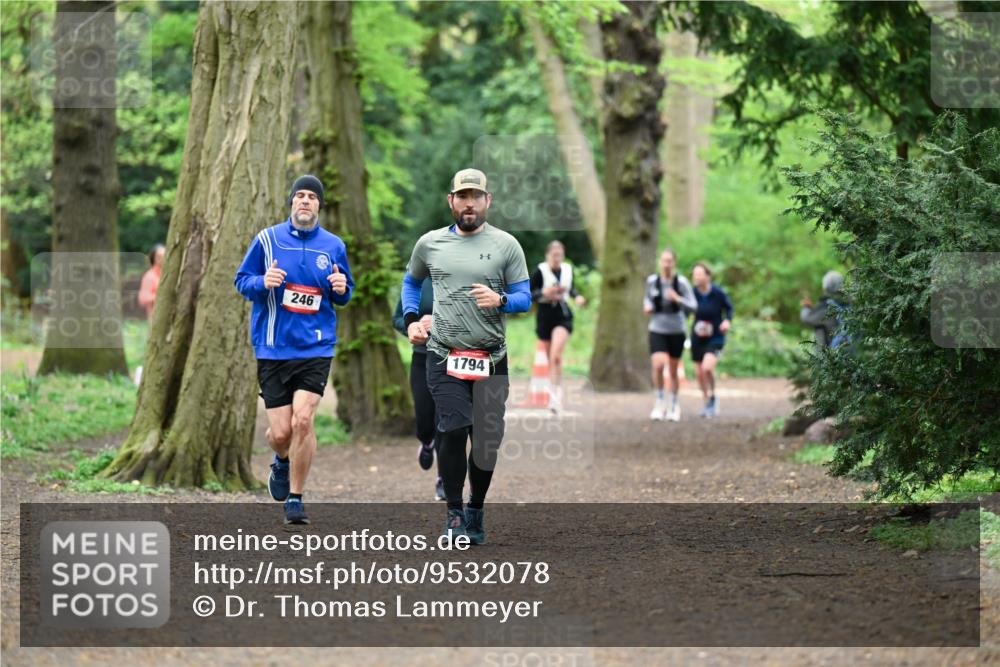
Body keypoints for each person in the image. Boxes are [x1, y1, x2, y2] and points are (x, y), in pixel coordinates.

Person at [400, 168, 530, 544]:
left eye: (475, 196)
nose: (468, 203)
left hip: (491, 356)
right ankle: (454, 513)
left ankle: (476, 507)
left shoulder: (507, 245)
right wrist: (411, 320)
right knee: (453, 427)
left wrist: (501, 299)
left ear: (487, 201)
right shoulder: (430, 244)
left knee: (487, 441)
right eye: (462, 196)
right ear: (451, 201)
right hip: (444, 354)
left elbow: (525, 296)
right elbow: (411, 281)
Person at [234, 175, 354, 525]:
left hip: (316, 345)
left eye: (311, 197)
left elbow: (343, 292)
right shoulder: (267, 240)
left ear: (319, 205)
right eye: (299, 195)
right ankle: (281, 461)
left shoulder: (333, 246)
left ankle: (296, 499)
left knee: (304, 420)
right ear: (291, 203)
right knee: (281, 433)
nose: (305, 201)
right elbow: (242, 280)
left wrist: (341, 286)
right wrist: (261, 282)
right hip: (272, 347)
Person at [392, 277, 445, 501]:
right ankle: (426, 441)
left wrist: (439, 322)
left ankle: (444, 479)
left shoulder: (460, 276)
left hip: (450, 359)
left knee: (446, 421)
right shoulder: (417, 282)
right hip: (422, 358)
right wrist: (414, 327)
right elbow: (397, 318)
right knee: (425, 419)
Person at [530, 240, 585, 413]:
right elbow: (529, 294)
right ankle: (552, 393)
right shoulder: (540, 271)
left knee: (556, 356)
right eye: (554, 255)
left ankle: (556, 395)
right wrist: (543, 293)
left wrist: (577, 297)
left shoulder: (567, 270)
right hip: (545, 316)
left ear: (563, 255)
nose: (556, 258)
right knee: (549, 358)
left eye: (559, 255)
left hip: (563, 315)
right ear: (548, 255)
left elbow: (572, 289)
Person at [643, 248, 696, 421]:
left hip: (676, 329)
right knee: (658, 364)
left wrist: (677, 299)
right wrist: (648, 306)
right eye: (663, 261)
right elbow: (647, 298)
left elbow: (693, 306)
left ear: (674, 263)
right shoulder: (653, 281)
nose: (666, 264)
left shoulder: (681, 283)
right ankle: (659, 401)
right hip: (657, 328)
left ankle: (674, 403)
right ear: (660, 262)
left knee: (673, 370)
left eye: (669, 261)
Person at [690, 262, 732, 418]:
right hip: (697, 336)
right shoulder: (692, 293)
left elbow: (729, 308)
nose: (697, 277)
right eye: (695, 275)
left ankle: (713, 396)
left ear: (708, 276)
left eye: (700, 274)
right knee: (699, 373)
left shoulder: (717, 293)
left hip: (715, 336)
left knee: (707, 368)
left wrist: (727, 321)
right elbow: (685, 308)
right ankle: (706, 402)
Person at [801, 270, 847, 348]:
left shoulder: (826, 306)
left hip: (829, 356)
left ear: (825, 287)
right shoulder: (847, 304)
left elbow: (807, 318)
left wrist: (806, 307)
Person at [138, 244, 165, 321]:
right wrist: (162, 296)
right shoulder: (150, 276)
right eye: (159, 256)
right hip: (156, 320)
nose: (163, 259)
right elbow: (143, 298)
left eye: (165, 255)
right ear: (154, 259)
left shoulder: (169, 275)